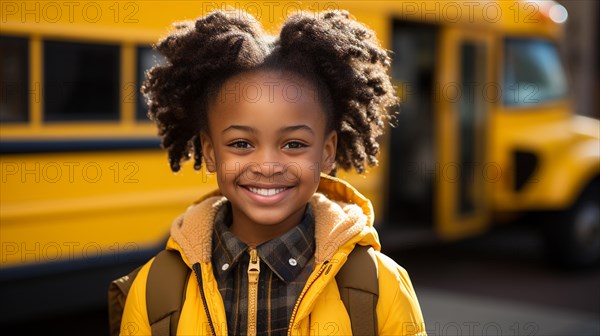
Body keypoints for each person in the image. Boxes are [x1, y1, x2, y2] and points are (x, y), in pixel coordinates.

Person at [120, 8, 426, 336]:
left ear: (327, 152)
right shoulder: (153, 289)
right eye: (240, 143)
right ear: (210, 152)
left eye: (294, 144)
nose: (267, 166)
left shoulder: (380, 286)